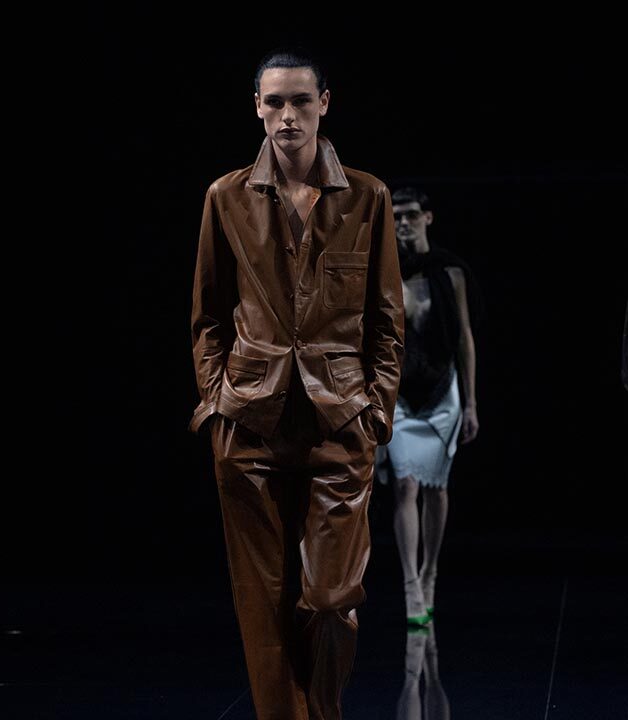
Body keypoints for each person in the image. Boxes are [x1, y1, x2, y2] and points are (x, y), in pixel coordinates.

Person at [189, 47, 404, 720]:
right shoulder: (225, 196)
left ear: (324, 105)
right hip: (249, 421)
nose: (288, 115)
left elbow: (388, 321)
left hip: (339, 421)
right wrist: (216, 400)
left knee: (330, 600)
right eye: (275, 102)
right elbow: (208, 315)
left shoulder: (367, 196)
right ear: (257, 108)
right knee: (262, 603)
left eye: (301, 101)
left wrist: (377, 410)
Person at [375, 187, 480, 626]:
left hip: (442, 390)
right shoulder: (383, 273)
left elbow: (463, 337)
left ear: (428, 218)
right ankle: (410, 584)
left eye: (411, 215)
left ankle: (430, 572)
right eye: (396, 216)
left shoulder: (449, 271)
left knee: (436, 487)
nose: (403, 222)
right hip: (400, 393)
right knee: (404, 486)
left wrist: (471, 403)